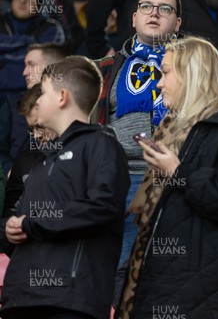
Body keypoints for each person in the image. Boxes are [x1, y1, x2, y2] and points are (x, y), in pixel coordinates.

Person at [116, 37, 218, 318]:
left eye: (165, 73)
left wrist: (178, 173)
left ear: (191, 74)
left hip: (210, 297)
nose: (158, 84)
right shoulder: (174, 131)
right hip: (168, 289)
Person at [0, 55, 129, 319]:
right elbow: (26, 222)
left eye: (42, 93)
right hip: (21, 299)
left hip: (68, 300)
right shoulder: (42, 160)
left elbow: (102, 206)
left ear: (62, 97)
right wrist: (11, 227)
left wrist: (32, 223)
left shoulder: (100, 144)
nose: (36, 100)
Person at [95, 0, 181, 280]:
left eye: (164, 8)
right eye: (146, 6)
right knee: (104, 265)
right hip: (111, 176)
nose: (153, 13)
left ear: (178, 22)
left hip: (164, 176)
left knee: (140, 270)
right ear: (134, 17)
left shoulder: (191, 67)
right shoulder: (106, 66)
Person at [0, 43, 66, 177]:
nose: (25, 72)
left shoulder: (69, 106)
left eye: (31, 65)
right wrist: (10, 172)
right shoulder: (12, 105)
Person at [0, 0, 65, 107]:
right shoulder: (1, 22)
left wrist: (3, 59)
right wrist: (28, 41)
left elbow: (43, 63)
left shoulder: (51, 28)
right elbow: (33, 61)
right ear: (11, 1)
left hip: (33, 96)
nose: (23, 1)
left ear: (39, 3)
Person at [1, 83, 57, 219]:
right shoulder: (25, 159)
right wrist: (10, 229)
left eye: (40, 126)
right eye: (31, 129)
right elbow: (9, 211)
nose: (36, 135)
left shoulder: (84, 149)